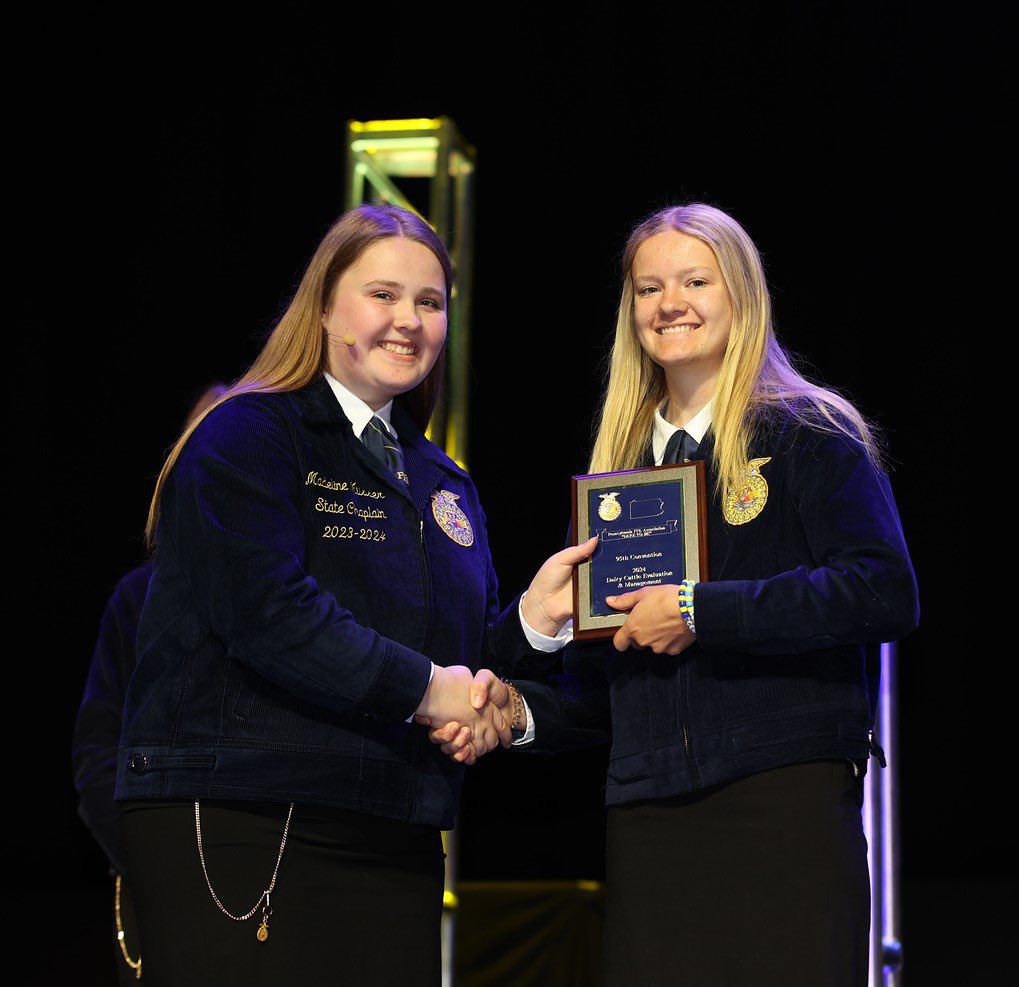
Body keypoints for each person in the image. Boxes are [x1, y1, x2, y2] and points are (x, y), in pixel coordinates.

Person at [429, 203, 919, 986]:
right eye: (648, 287)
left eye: (695, 280)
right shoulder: (618, 481)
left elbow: (882, 591)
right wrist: (519, 707)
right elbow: (600, 696)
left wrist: (700, 611)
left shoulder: (810, 433)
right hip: (649, 817)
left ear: (743, 296)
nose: (669, 303)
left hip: (781, 801)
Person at [115, 204, 588, 986]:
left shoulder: (445, 482)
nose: (408, 320)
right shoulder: (248, 436)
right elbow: (271, 614)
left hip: (393, 830)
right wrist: (431, 690)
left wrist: (532, 621)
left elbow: (454, 664)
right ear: (326, 308)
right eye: (383, 295)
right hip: (245, 815)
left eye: (429, 303)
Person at [72, 382, 226, 985]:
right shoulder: (138, 599)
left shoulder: (307, 608)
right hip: (162, 891)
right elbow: (95, 754)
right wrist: (155, 865)